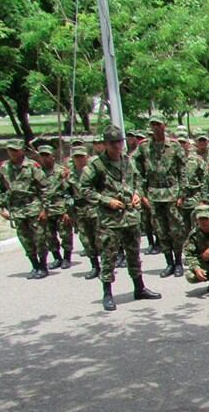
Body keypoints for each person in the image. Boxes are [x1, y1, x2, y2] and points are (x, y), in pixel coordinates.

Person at [80, 126, 162, 311]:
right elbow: (84, 189)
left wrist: (137, 194)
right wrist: (106, 200)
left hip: (130, 216)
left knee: (134, 254)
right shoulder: (96, 165)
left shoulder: (127, 161)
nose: (117, 146)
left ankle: (139, 288)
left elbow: (138, 180)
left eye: (119, 142)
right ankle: (107, 293)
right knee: (109, 256)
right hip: (110, 220)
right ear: (106, 144)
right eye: (112, 143)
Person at [133, 116, 188, 277]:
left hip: (171, 192)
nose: (156, 127)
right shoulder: (144, 148)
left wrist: (182, 193)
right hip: (154, 195)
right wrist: (141, 194)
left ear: (164, 126)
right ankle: (169, 262)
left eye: (158, 124)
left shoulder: (175, 146)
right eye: (153, 125)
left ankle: (178, 262)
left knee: (176, 230)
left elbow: (182, 171)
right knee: (161, 230)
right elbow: (137, 171)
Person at [0, 139, 50, 279]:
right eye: (10, 150)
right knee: (25, 239)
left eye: (15, 150)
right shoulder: (4, 167)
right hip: (17, 208)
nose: (12, 153)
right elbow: (0, 188)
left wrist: (45, 209)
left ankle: (43, 266)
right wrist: (1, 206)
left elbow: (44, 188)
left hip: (33, 206)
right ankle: (35, 265)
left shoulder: (32, 166)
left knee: (40, 238)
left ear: (22, 150)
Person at [37, 145, 75, 270]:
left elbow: (70, 192)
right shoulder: (36, 173)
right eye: (42, 156)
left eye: (47, 155)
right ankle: (57, 258)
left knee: (65, 234)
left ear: (53, 157)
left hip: (61, 208)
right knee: (49, 236)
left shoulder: (62, 172)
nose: (45, 158)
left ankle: (67, 258)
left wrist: (68, 211)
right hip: (45, 210)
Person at [69, 147, 102, 279]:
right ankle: (95, 266)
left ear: (86, 157)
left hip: (94, 208)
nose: (79, 159)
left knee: (100, 239)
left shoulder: (94, 171)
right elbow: (66, 191)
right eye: (76, 157)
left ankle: (106, 266)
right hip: (80, 211)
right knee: (86, 240)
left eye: (81, 156)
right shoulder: (70, 175)